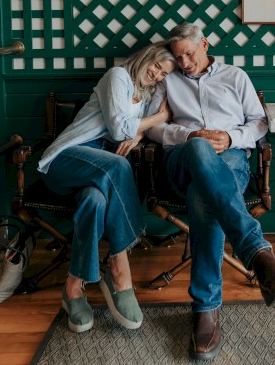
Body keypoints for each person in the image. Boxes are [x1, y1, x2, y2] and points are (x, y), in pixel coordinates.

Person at [146, 23, 275, 361]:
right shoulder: (168, 79)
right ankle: (258, 253)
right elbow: (152, 126)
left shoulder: (235, 76)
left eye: (189, 54)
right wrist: (189, 137)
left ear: (205, 44)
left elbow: (259, 123)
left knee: (204, 198)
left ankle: (205, 311)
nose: (184, 63)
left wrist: (230, 139)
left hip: (230, 161)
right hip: (181, 161)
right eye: (178, 57)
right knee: (199, 151)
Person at [37, 42, 176, 333]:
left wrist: (138, 136)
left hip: (97, 172)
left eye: (164, 74)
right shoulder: (117, 76)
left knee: (95, 202)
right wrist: (160, 117)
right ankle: (120, 267)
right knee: (118, 165)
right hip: (67, 157)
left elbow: (137, 130)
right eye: (157, 67)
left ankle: (73, 287)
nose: (158, 75)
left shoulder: (148, 94)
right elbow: (118, 129)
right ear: (146, 57)